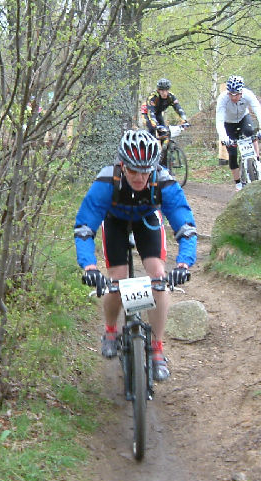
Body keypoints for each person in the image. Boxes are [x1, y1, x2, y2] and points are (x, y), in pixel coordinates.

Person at [74, 130, 198, 382]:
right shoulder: (106, 182)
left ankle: (157, 349)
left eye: (146, 171)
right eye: (133, 171)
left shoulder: (163, 181)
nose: (141, 177)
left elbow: (185, 225)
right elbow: (85, 228)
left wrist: (184, 263)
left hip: (147, 220)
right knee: (116, 282)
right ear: (122, 165)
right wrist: (88, 267)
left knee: (159, 278)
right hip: (115, 222)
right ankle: (110, 331)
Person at [215, 75, 261, 191]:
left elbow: (258, 110)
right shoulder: (222, 99)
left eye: (237, 94)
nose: (233, 97)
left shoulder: (248, 94)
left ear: (241, 92)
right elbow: (219, 120)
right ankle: (238, 182)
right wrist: (224, 138)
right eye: (231, 94)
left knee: (251, 133)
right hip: (228, 123)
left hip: (243, 118)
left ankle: (257, 161)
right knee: (233, 154)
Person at [143, 78, 189, 165]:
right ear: (158, 90)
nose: (164, 93)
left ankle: (164, 159)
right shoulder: (152, 97)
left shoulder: (171, 96)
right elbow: (151, 112)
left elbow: (178, 108)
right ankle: (150, 156)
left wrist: (184, 120)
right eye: (162, 90)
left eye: (166, 90)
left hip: (158, 113)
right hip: (147, 113)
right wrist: (154, 123)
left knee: (164, 133)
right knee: (152, 129)